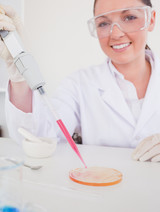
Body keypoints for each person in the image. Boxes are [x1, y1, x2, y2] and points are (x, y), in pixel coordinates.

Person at [0, 0, 160, 161]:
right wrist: (20, 76)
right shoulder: (79, 84)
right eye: (104, 23)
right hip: (101, 183)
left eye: (130, 17)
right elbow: (38, 137)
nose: (116, 34)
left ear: (151, 19)